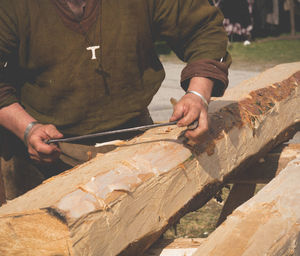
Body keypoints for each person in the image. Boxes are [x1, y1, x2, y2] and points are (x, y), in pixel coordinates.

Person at [0, 0, 231, 200]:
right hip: (41, 156)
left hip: (135, 145)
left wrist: (198, 94)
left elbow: (202, 29)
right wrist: (27, 128)